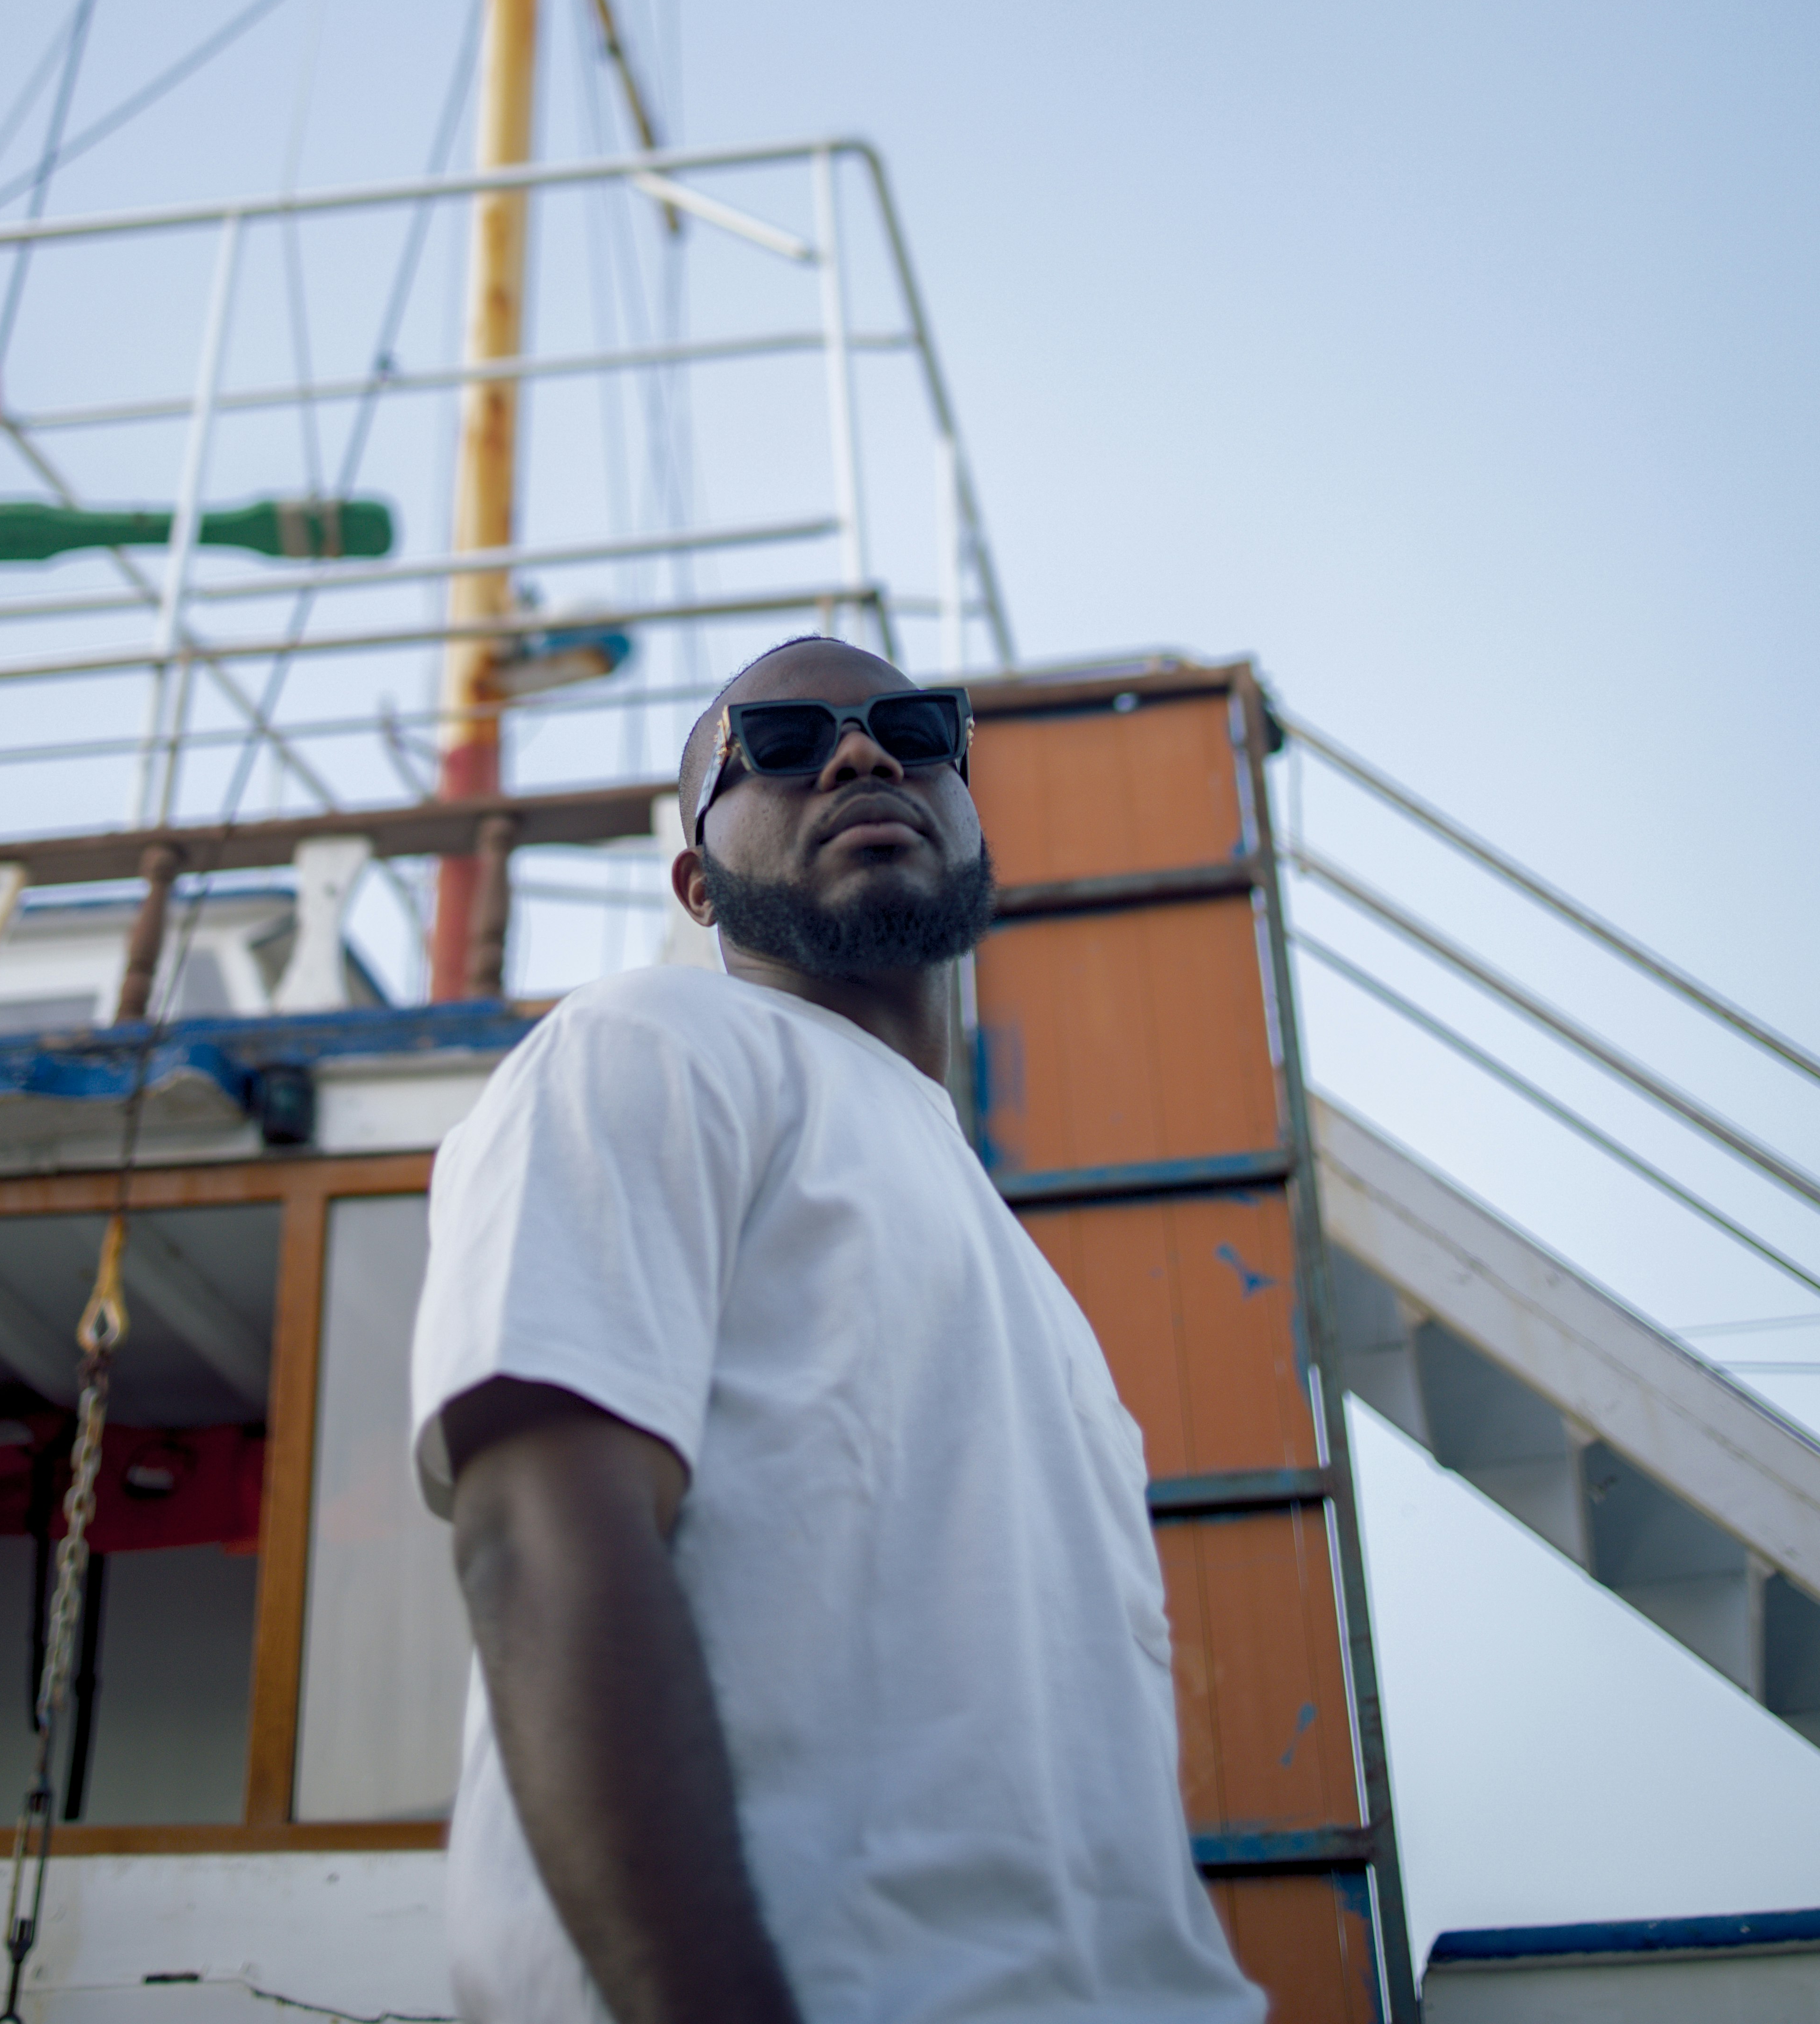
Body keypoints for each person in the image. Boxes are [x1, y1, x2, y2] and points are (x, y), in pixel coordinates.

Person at [410, 634, 1265, 2024]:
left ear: (971, 805)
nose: (866, 755)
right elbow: (535, 1537)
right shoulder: (653, 1049)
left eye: (913, 729)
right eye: (786, 748)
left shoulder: (1030, 1287)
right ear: (697, 880)